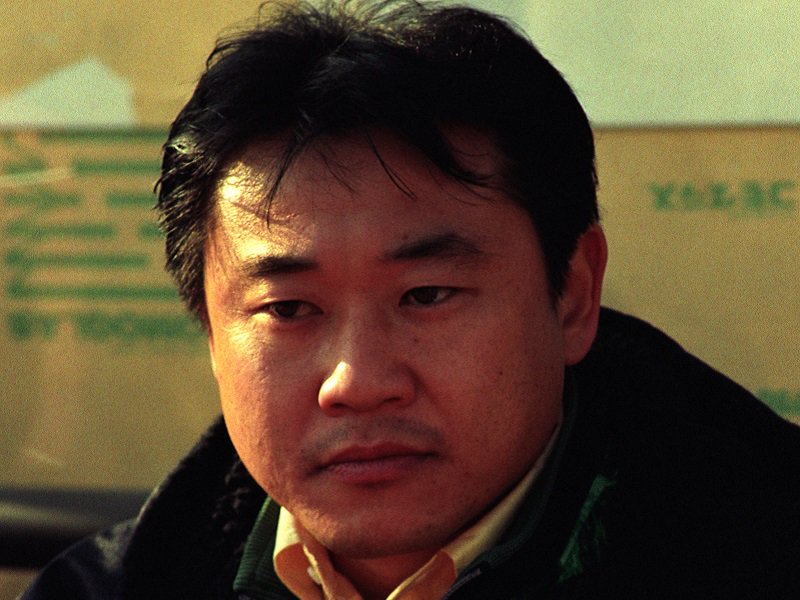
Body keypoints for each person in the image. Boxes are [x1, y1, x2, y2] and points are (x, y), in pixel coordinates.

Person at [24, 1, 800, 598]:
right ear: (211, 333)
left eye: (426, 295)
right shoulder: (106, 588)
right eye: (288, 309)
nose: (357, 382)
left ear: (571, 293)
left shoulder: (761, 552)